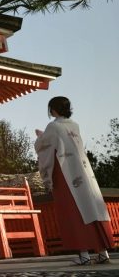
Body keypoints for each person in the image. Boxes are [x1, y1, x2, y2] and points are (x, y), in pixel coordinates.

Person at [35, 96, 113, 265]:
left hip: (66, 174)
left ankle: (84, 255)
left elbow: (44, 147)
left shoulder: (53, 126)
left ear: (53, 110)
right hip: (84, 172)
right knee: (91, 208)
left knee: (72, 211)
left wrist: (40, 137)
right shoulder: (74, 125)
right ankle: (103, 252)